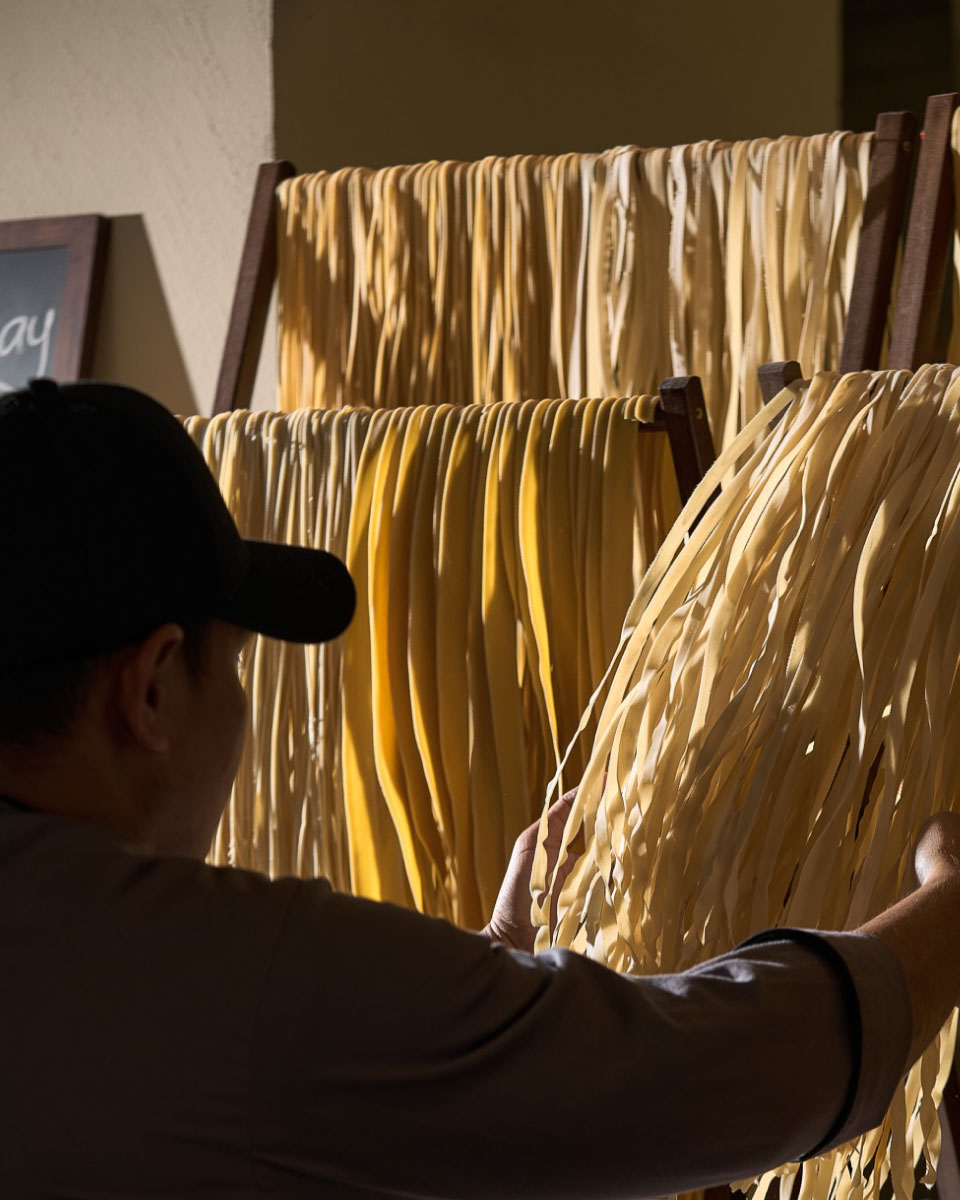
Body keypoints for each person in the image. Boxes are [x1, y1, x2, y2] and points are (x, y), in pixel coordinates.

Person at [0, 377, 952, 1199]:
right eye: (237, 663)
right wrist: (951, 902)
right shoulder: (227, 980)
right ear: (153, 689)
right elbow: (703, 1075)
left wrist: (494, 961)